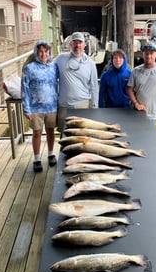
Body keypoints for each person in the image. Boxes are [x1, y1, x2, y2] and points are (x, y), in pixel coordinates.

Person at [21, 40, 58, 173]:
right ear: (36, 52)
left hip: (52, 106)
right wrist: (26, 108)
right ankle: (37, 159)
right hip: (35, 108)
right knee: (36, 133)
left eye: (46, 51)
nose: (44, 54)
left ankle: (51, 153)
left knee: (50, 131)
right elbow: (24, 89)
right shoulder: (29, 68)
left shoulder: (54, 67)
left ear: (50, 53)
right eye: (41, 51)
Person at [54, 32, 99, 136]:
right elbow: (50, 78)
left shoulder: (90, 64)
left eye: (80, 42)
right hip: (64, 106)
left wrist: (94, 107)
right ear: (70, 44)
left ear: (84, 45)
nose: (77, 45)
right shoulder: (60, 59)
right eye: (74, 42)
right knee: (64, 136)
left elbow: (94, 87)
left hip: (83, 106)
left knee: (82, 137)